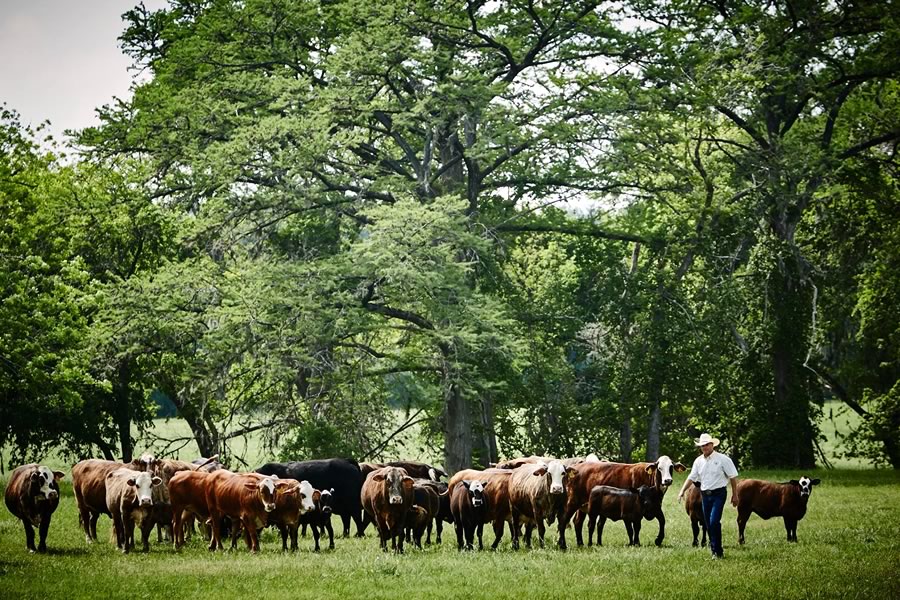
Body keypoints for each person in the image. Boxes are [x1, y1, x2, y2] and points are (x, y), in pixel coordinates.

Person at [677, 433, 739, 559]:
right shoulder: (698, 461)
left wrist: (735, 495)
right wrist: (682, 491)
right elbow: (691, 477)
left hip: (718, 494)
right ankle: (714, 550)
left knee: (714, 521)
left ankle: (718, 550)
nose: (704, 447)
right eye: (702, 445)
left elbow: (732, 477)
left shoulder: (723, 459)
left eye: (707, 445)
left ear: (712, 445)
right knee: (708, 523)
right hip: (705, 495)